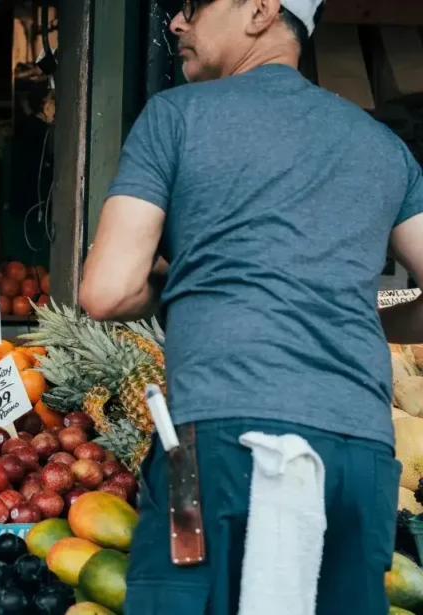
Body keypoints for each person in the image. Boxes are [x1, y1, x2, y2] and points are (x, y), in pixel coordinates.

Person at [79, 0, 423, 613]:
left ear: (261, 10)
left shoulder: (175, 117)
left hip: (208, 454)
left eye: (193, 6)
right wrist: (354, 315)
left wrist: (192, 281)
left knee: (181, 597)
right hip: (356, 460)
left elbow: (106, 292)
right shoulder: (383, 147)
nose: (178, 24)